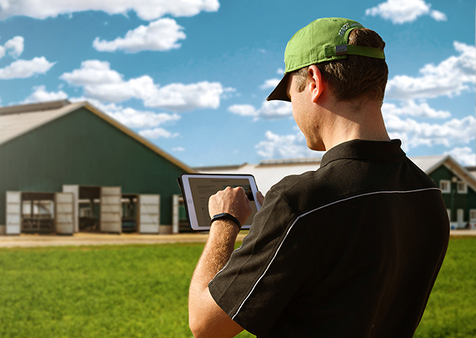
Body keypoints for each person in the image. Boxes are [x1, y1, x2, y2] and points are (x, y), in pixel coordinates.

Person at [188, 17, 450, 338]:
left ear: (314, 81)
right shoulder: (426, 193)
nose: (292, 111)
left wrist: (225, 220)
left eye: (289, 95)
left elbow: (205, 325)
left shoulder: (301, 202)